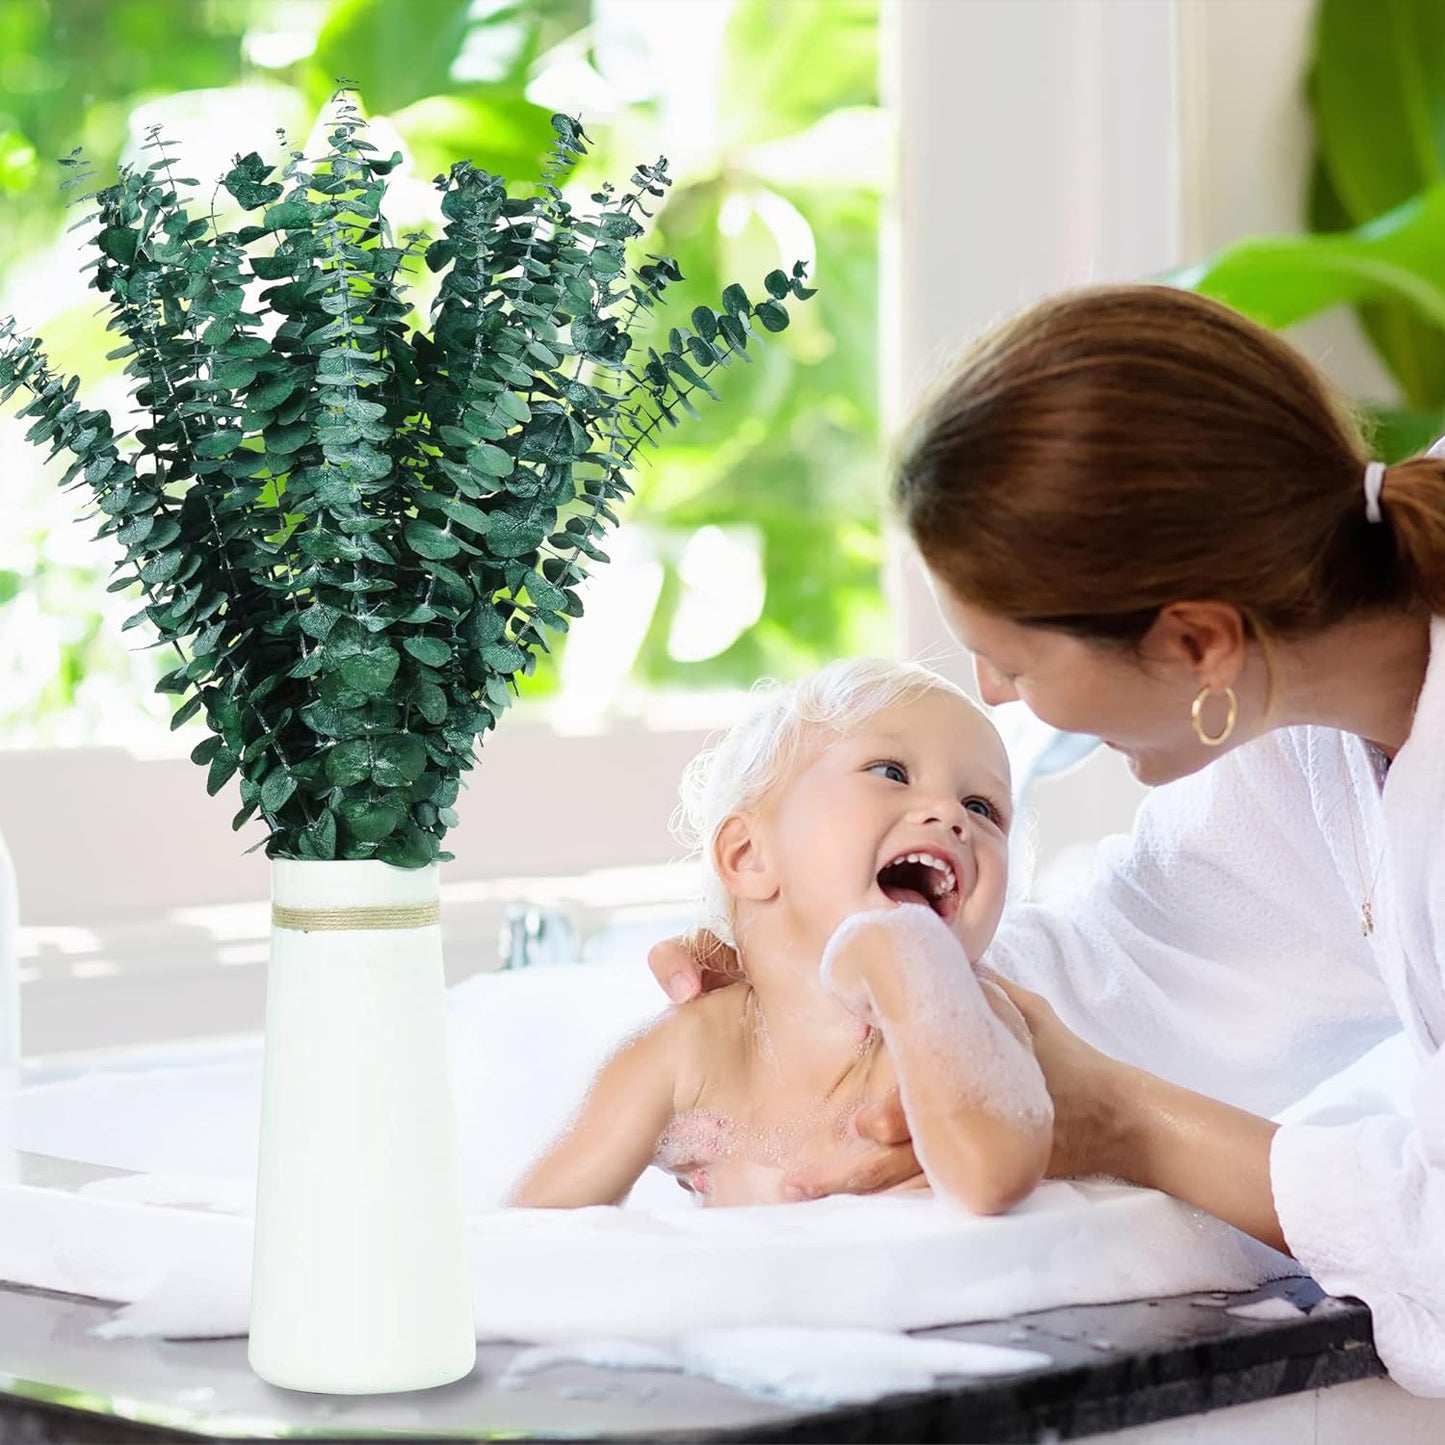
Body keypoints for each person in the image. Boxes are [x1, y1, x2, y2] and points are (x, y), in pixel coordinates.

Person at [649, 284, 1445, 1395]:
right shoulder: (1301, 725)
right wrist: (835, 993)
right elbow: (1152, 958)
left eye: (1016, 663)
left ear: (1196, 641)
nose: (992, 693)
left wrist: (1123, 1123)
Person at [510, 658, 1052, 1211]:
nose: (950, 814)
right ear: (748, 856)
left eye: (982, 807)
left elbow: (996, 1178)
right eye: (891, 773)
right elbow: (527, 1236)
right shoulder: (689, 1054)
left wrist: (915, 974)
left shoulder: (962, 1022)